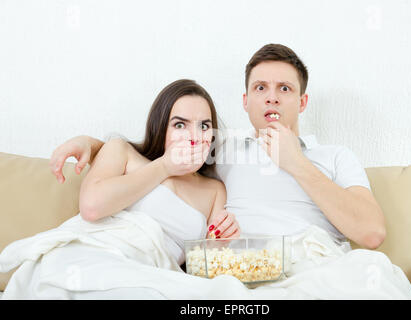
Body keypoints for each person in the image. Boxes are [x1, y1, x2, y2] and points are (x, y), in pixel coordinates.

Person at [51, 43, 386, 250]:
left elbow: (371, 233)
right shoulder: (221, 151)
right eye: (260, 87)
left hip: (318, 267)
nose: (271, 95)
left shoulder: (336, 157)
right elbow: (157, 151)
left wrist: (296, 162)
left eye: (284, 88)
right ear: (245, 101)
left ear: (302, 102)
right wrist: (93, 145)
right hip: (244, 272)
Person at [0, 79, 241, 300]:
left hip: (149, 274)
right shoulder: (122, 152)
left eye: (204, 126)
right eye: (180, 125)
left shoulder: (214, 190)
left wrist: (219, 243)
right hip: (90, 255)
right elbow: (92, 207)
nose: (194, 137)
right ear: (161, 128)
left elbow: (202, 269)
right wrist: (165, 166)